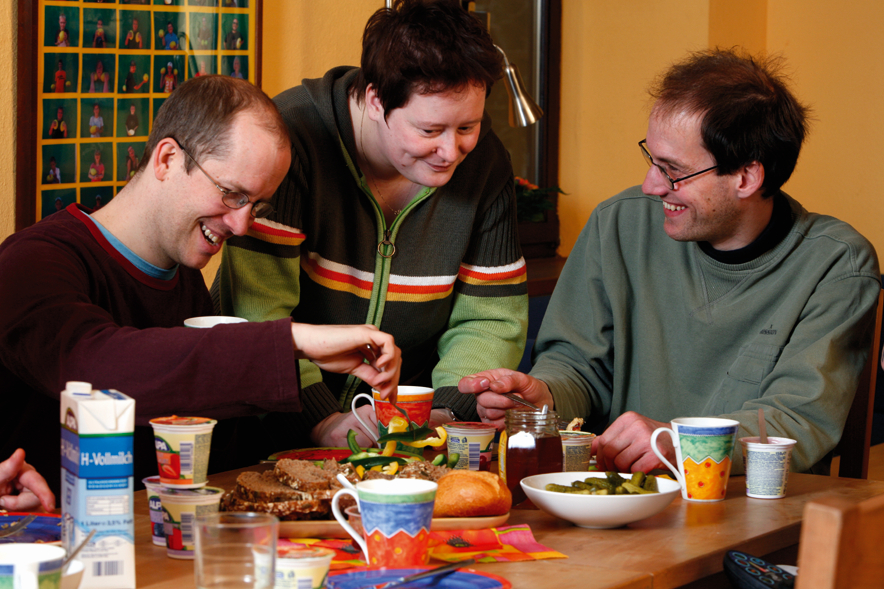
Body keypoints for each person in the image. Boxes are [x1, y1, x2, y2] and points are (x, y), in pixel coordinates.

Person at [459, 48, 881, 476]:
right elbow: (578, 365)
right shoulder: (619, 224)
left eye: (672, 170)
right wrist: (546, 394)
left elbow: (797, 421)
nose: (650, 185)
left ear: (746, 178)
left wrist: (676, 443)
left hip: (753, 516)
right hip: (619, 503)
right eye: (651, 160)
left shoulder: (836, 264)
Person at [0, 75, 402, 495]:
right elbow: (101, 371)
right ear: (168, 159)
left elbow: (225, 446)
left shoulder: (188, 283)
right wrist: (292, 341)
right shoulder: (32, 262)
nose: (242, 224)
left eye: (256, 205)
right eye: (231, 193)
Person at [215, 0, 528, 450]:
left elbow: (489, 319)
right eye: (429, 130)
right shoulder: (292, 140)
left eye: (468, 126)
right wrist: (321, 421)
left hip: (407, 434)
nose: (451, 151)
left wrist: (442, 411)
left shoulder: (486, 164)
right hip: (266, 431)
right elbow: (258, 313)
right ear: (377, 99)